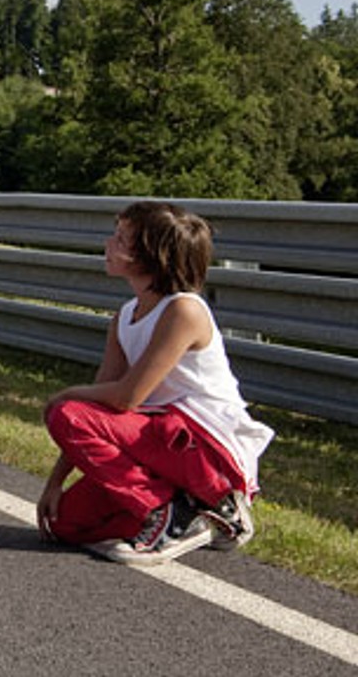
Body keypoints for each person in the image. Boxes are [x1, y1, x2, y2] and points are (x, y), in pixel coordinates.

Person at [35, 201, 273, 565]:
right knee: (63, 524)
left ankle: (179, 509)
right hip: (157, 444)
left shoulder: (183, 310)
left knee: (66, 411)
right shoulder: (124, 317)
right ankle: (193, 514)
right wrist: (55, 483)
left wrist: (64, 395)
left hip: (205, 449)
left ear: (151, 255)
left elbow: (127, 397)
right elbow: (101, 405)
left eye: (120, 239)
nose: (108, 244)